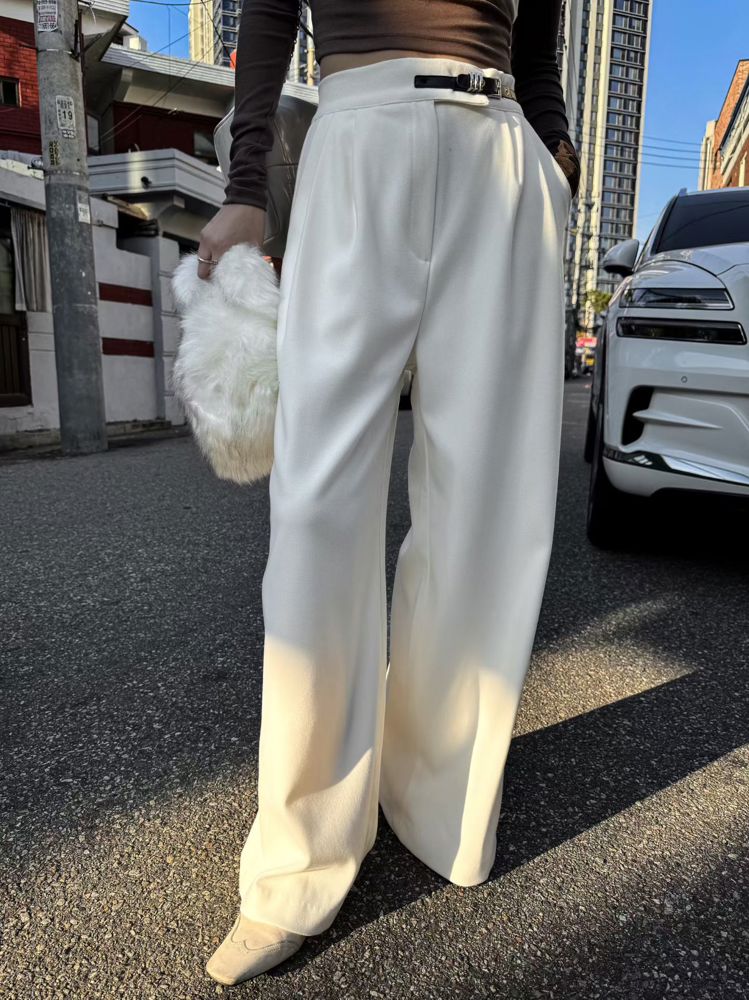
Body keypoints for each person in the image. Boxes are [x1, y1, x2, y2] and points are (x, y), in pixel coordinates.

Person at [200, 0, 579, 986]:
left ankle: (437, 797)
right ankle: (296, 860)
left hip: (501, 153)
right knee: (315, 509)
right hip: (358, 131)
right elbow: (270, 8)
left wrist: (556, 156)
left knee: (486, 510)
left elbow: (537, 45)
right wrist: (246, 185)